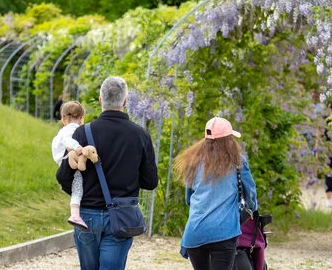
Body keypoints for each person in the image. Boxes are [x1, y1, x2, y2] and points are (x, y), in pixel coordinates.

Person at [56, 76, 158, 270]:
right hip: (122, 216)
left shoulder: (81, 133)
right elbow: (150, 181)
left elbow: (63, 177)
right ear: (126, 101)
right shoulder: (140, 135)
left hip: (86, 215)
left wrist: (81, 194)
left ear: (100, 100)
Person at [175, 117, 257, 270]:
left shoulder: (193, 161)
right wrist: (251, 208)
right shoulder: (238, 161)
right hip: (224, 233)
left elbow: (189, 199)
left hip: (195, 232)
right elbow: (250, 193)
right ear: (229, 140)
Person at [51, 101, 89, 230]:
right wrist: (78, 147)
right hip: (68, 158)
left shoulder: (62, 130)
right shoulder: (72, 129)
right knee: (77, 187)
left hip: (64, 159)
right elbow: (68, 141)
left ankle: (75, 213)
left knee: (77, 184)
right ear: (81, 118)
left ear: (63, 119)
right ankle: (75, 214)